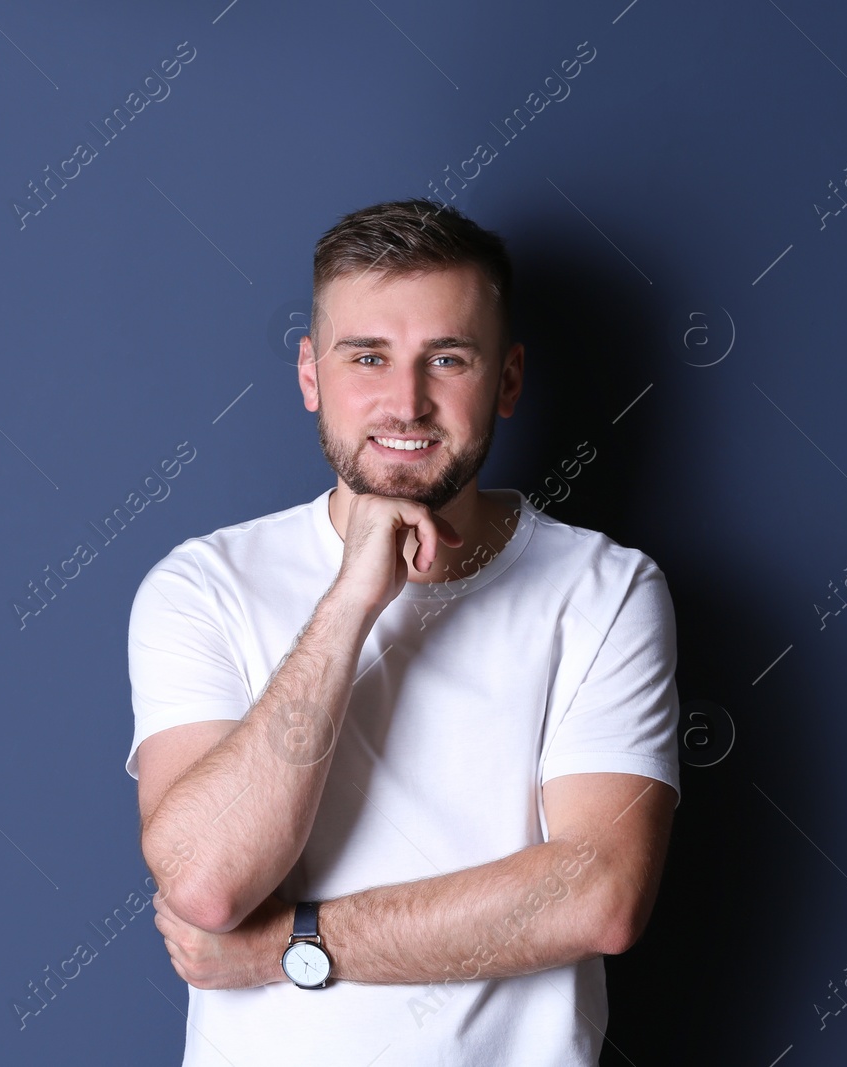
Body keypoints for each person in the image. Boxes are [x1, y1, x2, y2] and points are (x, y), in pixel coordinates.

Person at [125, 198, 681, 1065]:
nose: (406, 401)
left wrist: (287, 950)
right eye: (368, 356)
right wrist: (353, 597)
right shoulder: (203, 586)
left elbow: (597, 894)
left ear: (507, 378)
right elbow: (204, 882)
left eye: (447, 358)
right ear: (311, 373)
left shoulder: (605, 591)